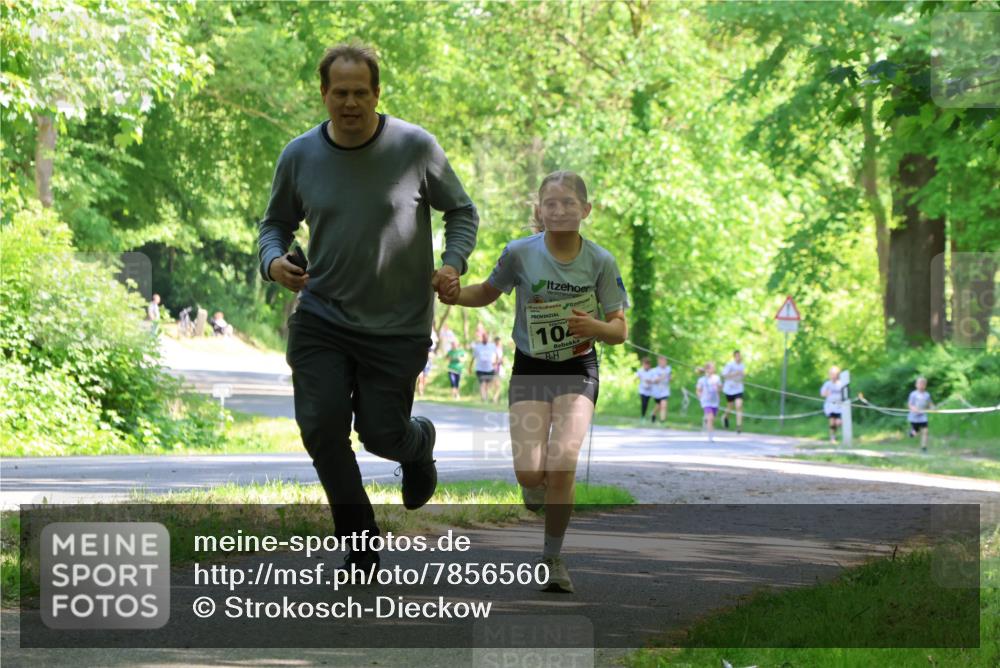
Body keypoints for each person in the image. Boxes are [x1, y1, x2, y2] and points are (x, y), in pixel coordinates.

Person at [257, 43, 478, 573]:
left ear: (377, 93)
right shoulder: (300, 154)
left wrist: (453, 263)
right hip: (322, 317)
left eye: (361, 92)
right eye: (340, 93)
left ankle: (417, 444)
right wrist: (272, 263)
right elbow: (274, 226)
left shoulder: (415, 148)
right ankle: (359, 541)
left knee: (382, 432)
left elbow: (462, 212)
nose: (350, 103)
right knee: (321, 427)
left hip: (397, 325)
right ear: (324, 94)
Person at [455, 170, 628, 594]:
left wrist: (593, 326)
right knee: (531, 472)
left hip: (577, 369)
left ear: (585, 210)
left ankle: (552, 557)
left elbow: (619, 329)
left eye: (569, 202)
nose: (560, 210)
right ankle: (536, 490)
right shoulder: (519, 253)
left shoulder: (601, 261)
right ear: (539, 210)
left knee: (563, 460)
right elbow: (485, 292)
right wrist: (450, 293)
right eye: (551, 203)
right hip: (531, 368)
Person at [696, 362, 722, 442]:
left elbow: (720, 388)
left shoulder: (717, 378)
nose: (713, 369)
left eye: (714, 368)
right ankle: (710, 437)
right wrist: (700, 397)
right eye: (711, 367)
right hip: (706, 401)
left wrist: (718, 388)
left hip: (715, 401)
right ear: (707, 369)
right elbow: (698, 390)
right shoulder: (702, 379)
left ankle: (706, 419)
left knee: (712, 418)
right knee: (710, 418)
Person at [907, 377, 934, 452]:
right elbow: (910, 404)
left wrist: (932, 408)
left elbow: (930, 404)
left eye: (923, 384)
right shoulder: (913, 394)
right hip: (914, 417)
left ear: (925, 385)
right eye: (920, 384)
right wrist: (914, 409)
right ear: (916, 385)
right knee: (916, 432)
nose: (921, 385)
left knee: (925, 431)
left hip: (923, 416)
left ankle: (924, 448)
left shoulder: (927, 395)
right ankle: (912, 433)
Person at [721, 350, 745, 433]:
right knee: (730, 407)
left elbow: (742, 376)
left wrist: (742, 375)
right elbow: (724, 374)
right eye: (737, 356)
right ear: (734, 357)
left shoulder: (742, 365)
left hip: (738, 388)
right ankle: (725, 417)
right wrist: (734, 373)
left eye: (740, 356)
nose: (739, 358)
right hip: (729, 389)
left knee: (739, 405)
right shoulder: (730, 365)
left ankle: (739, 426)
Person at [471, 331, 498, 402]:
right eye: (484, 337)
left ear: (488, 338)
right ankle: (483, 398)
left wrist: (495, 363)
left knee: (488, 385)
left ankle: (486, 396)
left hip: (490, 369)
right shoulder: (477, 347)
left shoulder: (492, 346)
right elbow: (473, 358)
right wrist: (470, 367)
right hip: (480, 369)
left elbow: (497, 355)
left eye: (487, 337)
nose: (485, 338)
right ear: (482, 338)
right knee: (482, 383)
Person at [820, 366, 843, 444]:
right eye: (831, 374)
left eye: (834, 374)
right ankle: (832, 438)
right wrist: (827, 393)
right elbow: (822, 393)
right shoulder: (827, 384)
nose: (833, 376)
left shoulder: (841, 384)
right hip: (830, 406)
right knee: (832, 422)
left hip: (839, 406)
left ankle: (838, 434)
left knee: (838, 422)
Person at [651, 355, 671, 424]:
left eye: (665, 361)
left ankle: (662, 421)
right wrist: (662, 376)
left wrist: (669, 378)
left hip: (665, 391)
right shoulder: (654, 370)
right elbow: (655, 381)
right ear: (659, 361)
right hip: (657, 391)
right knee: (658, 405)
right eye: (663, 361)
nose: (664, 362)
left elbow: (669, 378)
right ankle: (653, 414)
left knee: (664, 405)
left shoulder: (668, 369)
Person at [636, 357, 656, 422]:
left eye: (647, 364)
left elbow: (655, 379)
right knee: (643, 403)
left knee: (646, 403)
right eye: (644, 364)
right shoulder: (640, 370)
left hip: (649, 390)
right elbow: (636, 376)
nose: (646, 366)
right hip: (642, 390)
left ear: (649, 365)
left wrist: (650, 381)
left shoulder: (652, 371)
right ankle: (642, 416)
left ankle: (646, 415)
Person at [491, 336, 505, 403]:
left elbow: (501, 360)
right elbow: (493, 361)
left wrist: (501, 361)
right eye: (497, 342)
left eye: (499, 342)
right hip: (494, 369)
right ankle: (495, 398)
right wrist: (498, 361)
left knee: (497, 385)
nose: (499, 343)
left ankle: (496, 398)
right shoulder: (493, 350)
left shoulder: (500, 349)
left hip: (499, 369)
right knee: (496, 385)